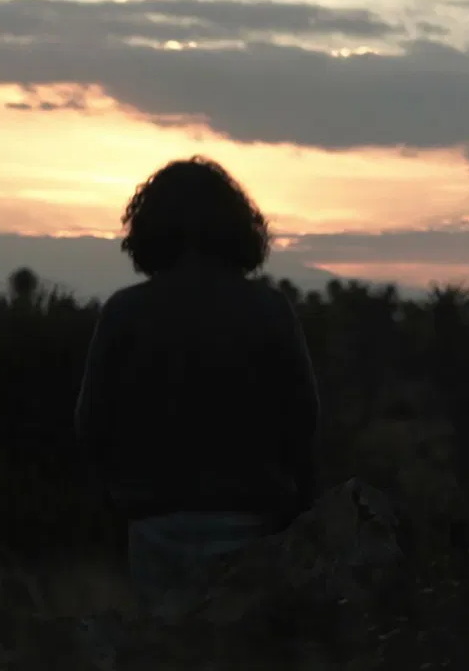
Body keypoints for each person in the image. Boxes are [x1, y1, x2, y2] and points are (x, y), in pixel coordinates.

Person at [74, 157, 320, 652]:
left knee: (168, 651)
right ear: (237, 226)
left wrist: (116, 502)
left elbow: (90, 424)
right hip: (252, 522)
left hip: (155, 526)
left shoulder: (124, 312)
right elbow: (304, 422)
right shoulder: (270, 310)